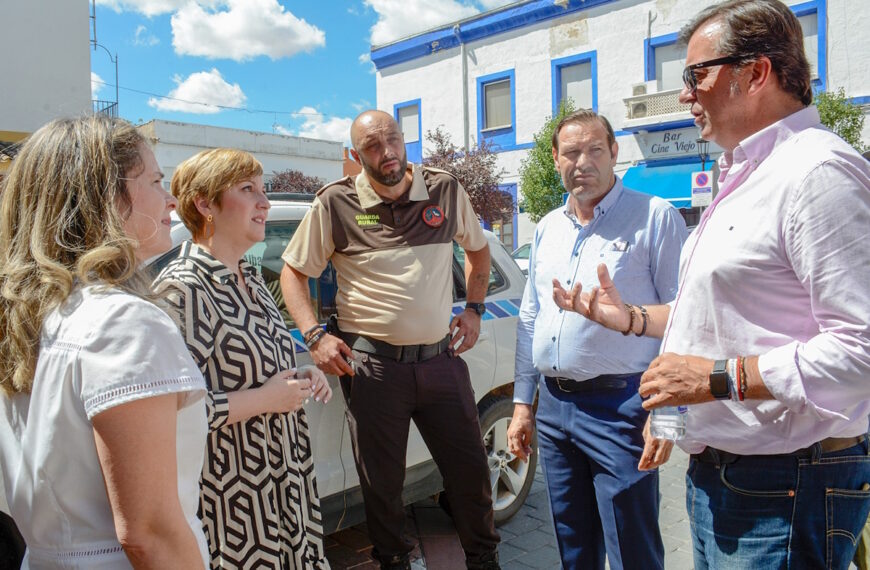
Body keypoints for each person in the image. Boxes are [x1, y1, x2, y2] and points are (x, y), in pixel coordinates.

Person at [553, 1, 870, 568]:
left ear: (755, 73)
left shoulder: (817, 174)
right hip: (727, 474)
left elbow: (861, 349)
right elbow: (714, 319)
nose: (684, 94)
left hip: (784, 482)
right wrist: (625, 318)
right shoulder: (745, 174)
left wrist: (718, 379)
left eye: (695, 74)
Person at [279, 110, 500, 570]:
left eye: (393, 140)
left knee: (471, 472)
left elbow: (478, 254)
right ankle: (394, 562)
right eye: (374, 147)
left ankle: (484, 559)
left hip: (441, 361)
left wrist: (475, 309)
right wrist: (315, 336)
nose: (388, 153)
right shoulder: (335, 203)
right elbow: (293, 274)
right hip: (374, 368)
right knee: (381, 486)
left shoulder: (444, 189)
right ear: (357, 157)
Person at [0, 115, 208, 568]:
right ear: (104, 200)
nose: (170, 200)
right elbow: (149, 533)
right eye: (154, 180)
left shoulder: (33, 315)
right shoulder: (123, 323)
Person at [506, 110, 686, 570]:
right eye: (570, 152)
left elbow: (686, 319)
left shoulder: (655, 217)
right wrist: (523, 405)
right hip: (554, 410)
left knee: (632, 547)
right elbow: (530, 319)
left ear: (614, 153)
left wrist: (668, 414)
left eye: (594, 150)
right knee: (573, 545)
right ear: (555, 158)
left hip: (620, 409)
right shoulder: (546, 227)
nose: (582, 162)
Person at [154, 148, 332, 569]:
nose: (264, 202)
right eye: (248, 190)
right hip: (234, 499)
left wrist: (299, 374)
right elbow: (169, 412)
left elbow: (261, 369)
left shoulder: (251, 278)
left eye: (263, 190)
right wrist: (267, 400)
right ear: (204, 203)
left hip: (286, 483)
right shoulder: (183, 290)